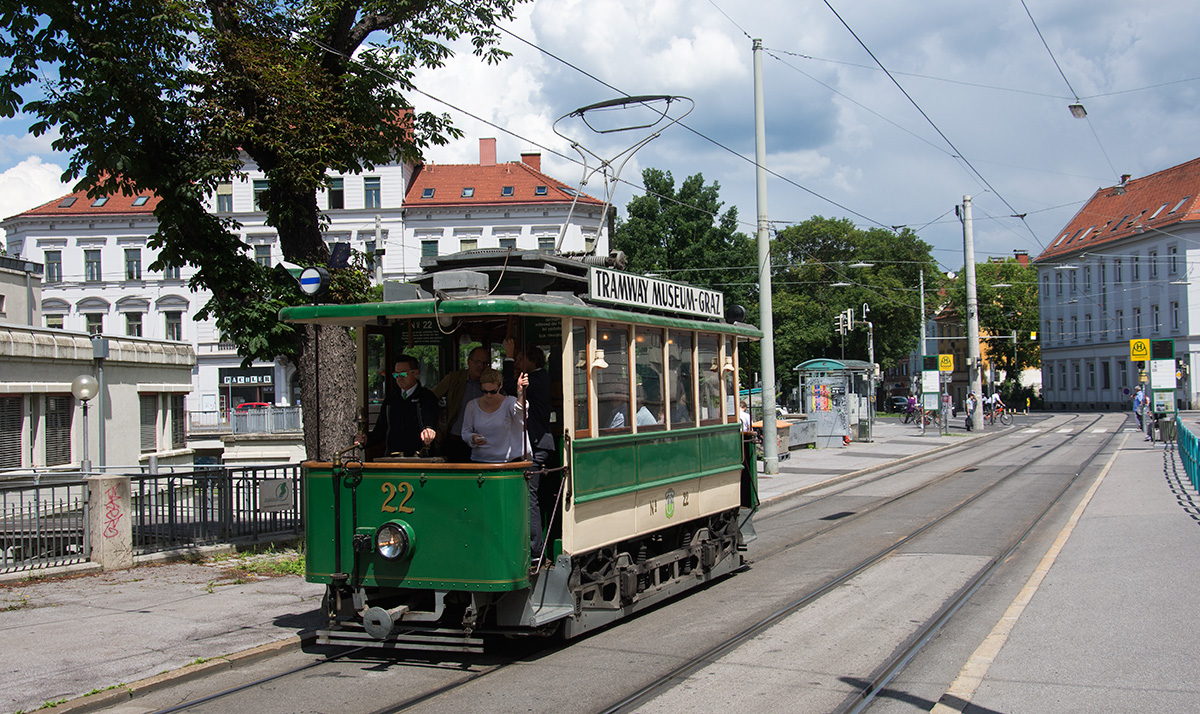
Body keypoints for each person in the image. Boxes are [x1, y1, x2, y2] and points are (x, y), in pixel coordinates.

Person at [503, 339, 555, 560]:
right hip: (533, 443)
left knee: (529, 495)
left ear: (532, 360)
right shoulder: (537, 378)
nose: (518, 363)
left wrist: (507, 356)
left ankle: (535, 550)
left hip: (536, 444)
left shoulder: (537, 379)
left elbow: (507, 387)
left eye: (521, 359)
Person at [359, 355, 438, 457]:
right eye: (396, 375)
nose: (399, 378)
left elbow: (430, 420)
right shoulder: (390, 400)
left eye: (403, 374)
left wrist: (429, 430)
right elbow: (381, 431)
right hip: (393, 459)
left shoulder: (426, 397)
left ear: (416, 373)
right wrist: (366, 440)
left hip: (419, 458)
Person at [433, 345, 490, 462]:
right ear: (469, 362)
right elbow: (431, 399)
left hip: (484, 441)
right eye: (478, 362)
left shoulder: (490, 382)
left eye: (485, 363)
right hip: (456, 439)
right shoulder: (454, 379)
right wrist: (435, 426)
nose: (481, 366)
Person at [461, 368, 528, 463]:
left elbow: (521, 414)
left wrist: (520, 392)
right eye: (484, 391)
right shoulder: (472, 405)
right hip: (479, 459)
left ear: (500, 386)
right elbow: (465, 432)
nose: (488, 395)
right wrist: (473, 438)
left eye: (492, 391)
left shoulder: (509, 402)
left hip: (506, 461)